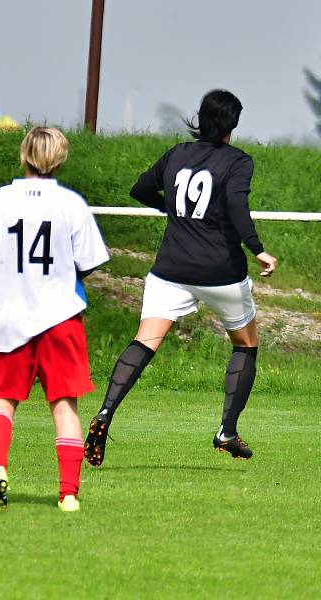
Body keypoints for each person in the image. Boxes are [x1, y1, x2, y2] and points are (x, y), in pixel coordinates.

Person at [84, 89, 278, 467]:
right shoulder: (237, 161)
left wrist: (170, 208)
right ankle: (226, 430)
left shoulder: (177, 154)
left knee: (145, 341)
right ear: (233, 123)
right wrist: (257, 249)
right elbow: (237, 206)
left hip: (170, 270)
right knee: (245, 345)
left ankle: (105, 413)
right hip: (220, 271)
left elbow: (139, 188)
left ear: (200, 118)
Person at [0, 127, 110, 512]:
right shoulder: (71, 204)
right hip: (60, 317)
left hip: (10, 317)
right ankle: (68, 494)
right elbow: (90, 263)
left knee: (2, 402)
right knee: (65, 408)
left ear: (23, 155)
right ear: (60, 159)